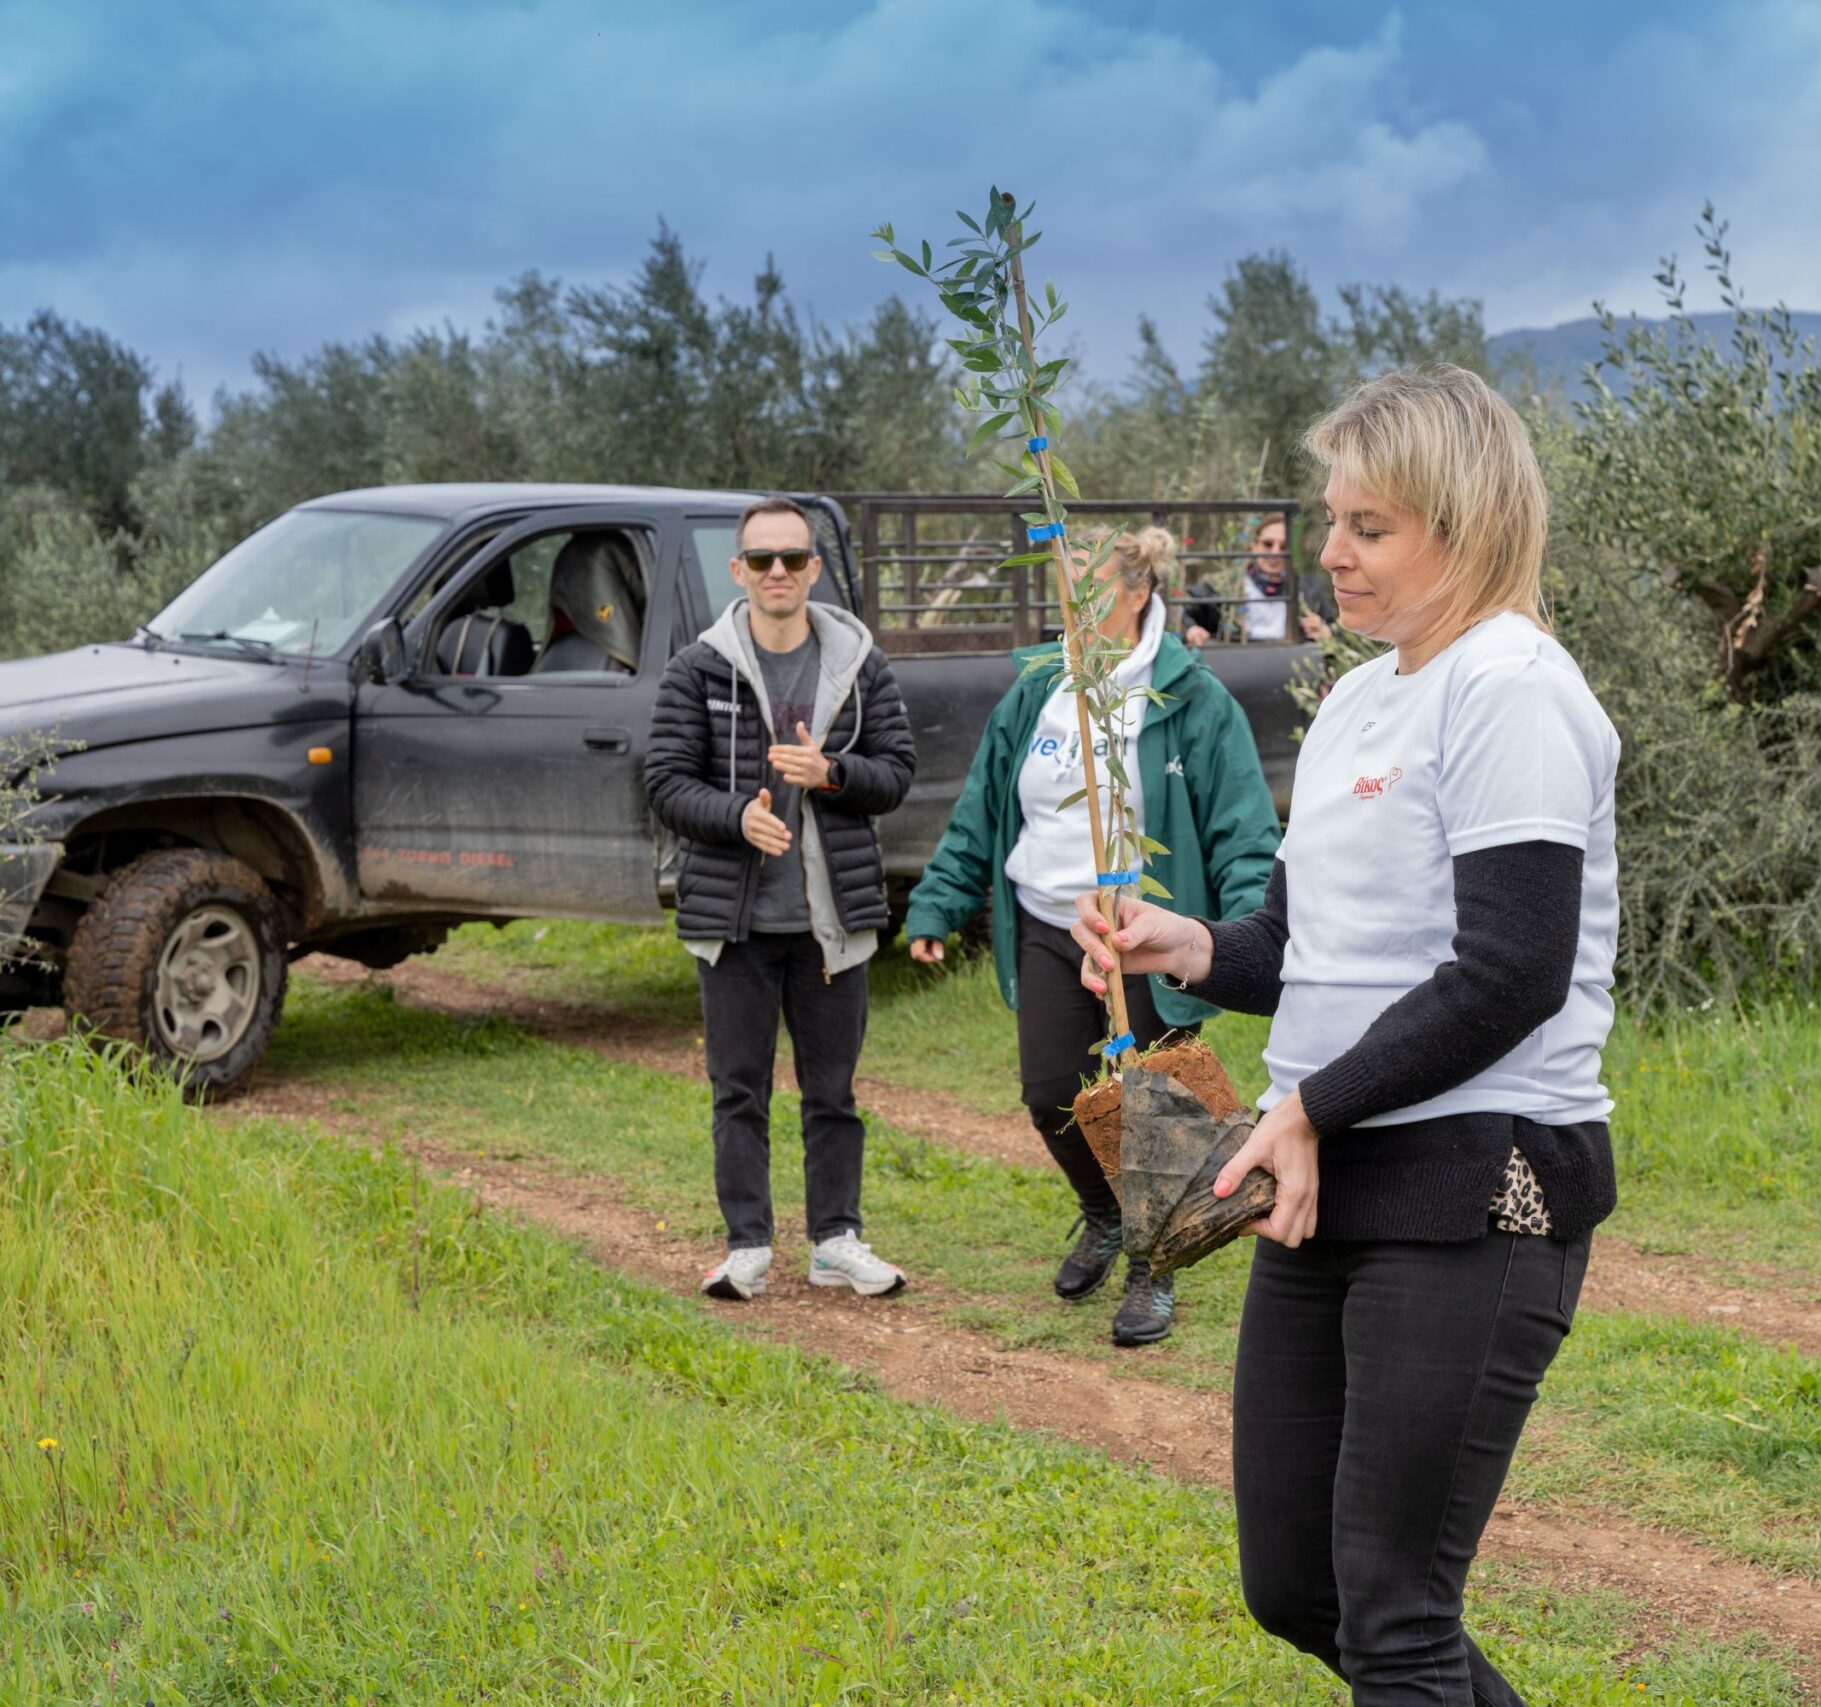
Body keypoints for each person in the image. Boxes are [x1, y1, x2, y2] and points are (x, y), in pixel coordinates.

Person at [1074, 367, 1619, 1704]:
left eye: (1370, 525)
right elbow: (1299, 942)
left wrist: (1308, 1105)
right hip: (1320, 1179)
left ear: (1465, 518)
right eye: (1333, 520)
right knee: (1298, 1584)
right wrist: (1186, 942)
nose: (1329, 551)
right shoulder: (1362, 702)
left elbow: (1510, 971)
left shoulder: (1514, 689)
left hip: (1475, 1180)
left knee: (1393, 1618)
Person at [903, 524, 1280, 1347]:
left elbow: (1244, 829)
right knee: (1050, 1095)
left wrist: (1252, 931)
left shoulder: (1190, 699)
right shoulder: (1037, 689)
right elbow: (982, 809)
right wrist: (938, 902)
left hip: (1144, 932)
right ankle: (1105, 1215)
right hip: (1047, 921)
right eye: (1065, 591)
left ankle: (1155, 1266)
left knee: (1153, 1109)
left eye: (1093, 589)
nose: (1073, 607)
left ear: (1140, 591)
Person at [643, 496, 916, 1303]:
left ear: (813, 568)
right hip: (735, 924)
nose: (777, 573)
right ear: (738, 570)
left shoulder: (860, 664)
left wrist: (832, 773)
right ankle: (747, 1247)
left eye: (792, 558)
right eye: (761, 559)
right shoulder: (699, 666)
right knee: (740, 1091)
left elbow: (896, 772)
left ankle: (835, 1240)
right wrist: (736, 817)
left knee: (834, 1094)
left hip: (832, 926)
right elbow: (664, 782)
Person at [1185, 512, 1333, 647]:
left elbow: (1338, 629)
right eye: (1268, 544)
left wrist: (1326, 632)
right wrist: (1191, 628)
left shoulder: (1308, 589)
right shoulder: (1225, 586)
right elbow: (1183, 610)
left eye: (1283, 546)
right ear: (1254, 546)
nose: (1275, 553)